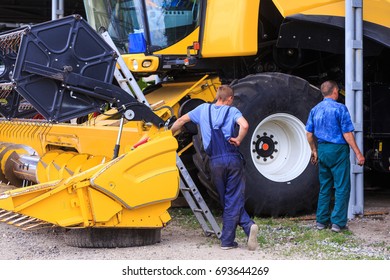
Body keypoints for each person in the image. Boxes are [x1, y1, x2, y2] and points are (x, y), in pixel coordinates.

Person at [171, 85, 259, 250]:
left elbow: (181, 121)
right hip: (232, 159)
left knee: (226, 199)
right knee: (232, 198)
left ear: (217, 97)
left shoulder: (203, 109)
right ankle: (245, 227)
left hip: (215, 162)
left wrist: (169, 136)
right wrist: (238, 139)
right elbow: (245, 125)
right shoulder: (232, 111)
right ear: (230, 99)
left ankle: (230, 239)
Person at [305, 80, 365, 232]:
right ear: (335, 91)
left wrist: (314, 150)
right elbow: (347, 134)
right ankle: (338, 223)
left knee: (325, 187)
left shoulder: (315, 110)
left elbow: (309, 134)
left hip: (323, 149)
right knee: (341, 187)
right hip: (338, 151)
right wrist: (358, 152)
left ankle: (321, 221)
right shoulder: (340, 109)